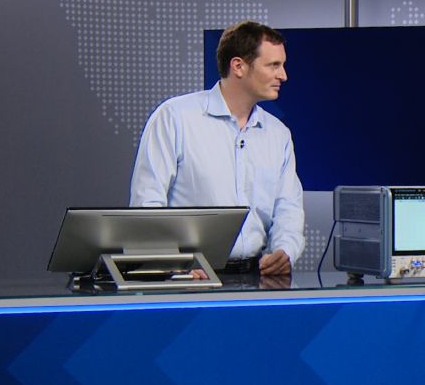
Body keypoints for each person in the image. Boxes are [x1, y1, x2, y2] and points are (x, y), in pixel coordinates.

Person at [130, 21, 304, 276]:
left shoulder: (278, 134)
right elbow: (147, 204)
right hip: (189, 278)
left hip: (256, 277)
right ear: (238, 66)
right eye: (273, 65)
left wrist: (285, 250)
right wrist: (173, 268)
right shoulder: (175, 118)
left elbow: (288, 208)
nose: (283, 75)